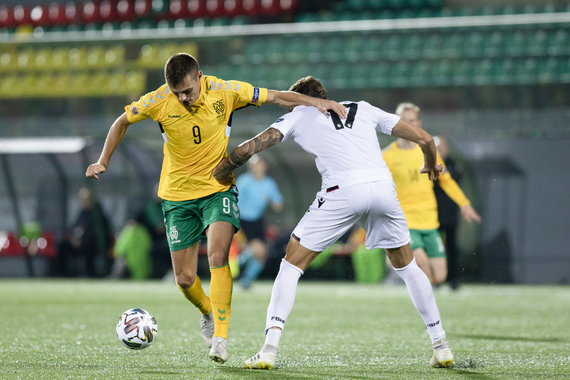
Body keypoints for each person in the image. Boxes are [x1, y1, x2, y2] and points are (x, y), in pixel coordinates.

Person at [85, 53, 347, 364]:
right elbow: (121, 121)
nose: (182, 98)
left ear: (200, 77)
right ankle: (208, 310)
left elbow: (276, 96)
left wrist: (315, 102)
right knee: (184, 278)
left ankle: (220, 339)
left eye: (187, 91)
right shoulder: (158, 100)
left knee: (217, 255)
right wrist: (104, 159)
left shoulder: (227, 91)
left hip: (217, 188)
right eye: (176, 93)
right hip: (177, 196)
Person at [213, 76, 454, 370]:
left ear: (297, 98)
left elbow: (250, 148)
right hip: (382, 188)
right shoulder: (362, 108)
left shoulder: (299, 112)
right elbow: (425, 138)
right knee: (407, 267)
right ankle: (440, 344)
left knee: (290, 265)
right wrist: (430, 161)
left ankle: (269, 349)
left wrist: (222, 170)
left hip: (342, 191)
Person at [382, 103, 481, 286]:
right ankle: (399, 263)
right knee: (425, 269)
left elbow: (446, 180)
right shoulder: (387, 156)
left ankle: (398, 268)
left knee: (440, 276)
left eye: (411, 120)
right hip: (405, 222)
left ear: (418, 123)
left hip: (429, 220)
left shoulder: (428, 151)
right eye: (403, 121)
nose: (407, 124)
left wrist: (464, 203)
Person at [235, 154, 283, 289]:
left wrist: (272, 202)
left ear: (264, 166)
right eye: (253, 165)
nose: (256, 167)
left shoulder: (269, 183)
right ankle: (231, 265)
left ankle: (245, 281)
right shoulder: (244, 181)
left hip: (257, 221)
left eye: (258, 164)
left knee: (262, 255)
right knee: (258, 250)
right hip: (242, 221)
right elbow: (234, 201)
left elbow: (278, 205)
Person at [433, 136, 466, 290]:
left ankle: (453, 280)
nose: (440, 151)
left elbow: (455, 182)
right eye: (437, 148)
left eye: (442, 148)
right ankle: (435, 280)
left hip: (450, 215)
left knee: (452, 249)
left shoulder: (454, 166)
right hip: (433, 215)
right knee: (433, 249)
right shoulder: (428, 165)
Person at [69, 187, 113, 277]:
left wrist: (82, 239)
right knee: (64, 246)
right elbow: (76, 227)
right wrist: (75, 238)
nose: (83, 202)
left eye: (86, 199)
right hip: (82, 241)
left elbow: (97, 231)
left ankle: (89, 273)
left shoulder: (97, 212)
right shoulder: (82, 213)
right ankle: (66, 273)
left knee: (88, 245)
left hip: (97, 242)